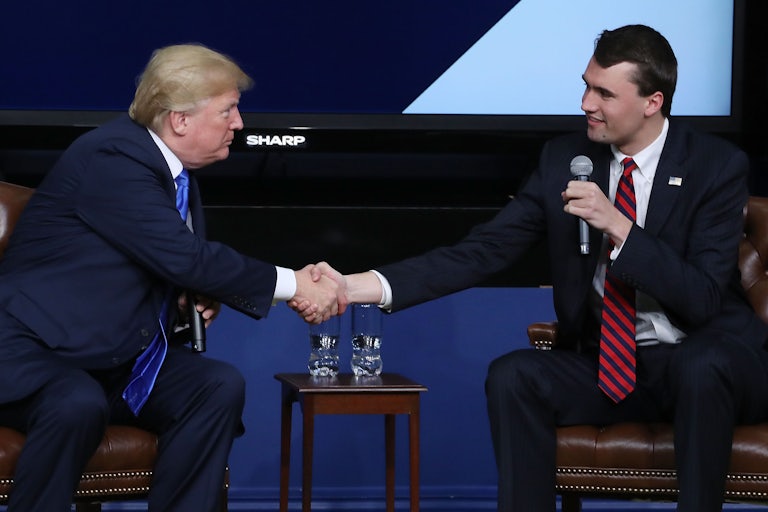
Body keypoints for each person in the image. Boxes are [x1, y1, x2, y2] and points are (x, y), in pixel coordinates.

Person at [297, 25, 768, 511]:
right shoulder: (565, 159)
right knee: (514, 374)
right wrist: (354, 287)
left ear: (652, 101)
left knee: (700, 365)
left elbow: (704, 298)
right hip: (614, 365)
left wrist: (620, 228)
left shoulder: (715, 165)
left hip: (709, 362)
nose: (586, 103)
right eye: (586, 85)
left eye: (604, 93)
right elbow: (481, 251)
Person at [0, 43, 341, 511]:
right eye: (228, 110)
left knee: (216, 386)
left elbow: (157, 265)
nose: (239, 124)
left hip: (110, 358)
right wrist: (296, 285)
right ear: (180, 120)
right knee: (76, 401)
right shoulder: (114, 158)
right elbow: (184, 256)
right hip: (34, 353)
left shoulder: (174, 175)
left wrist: (189, 298)